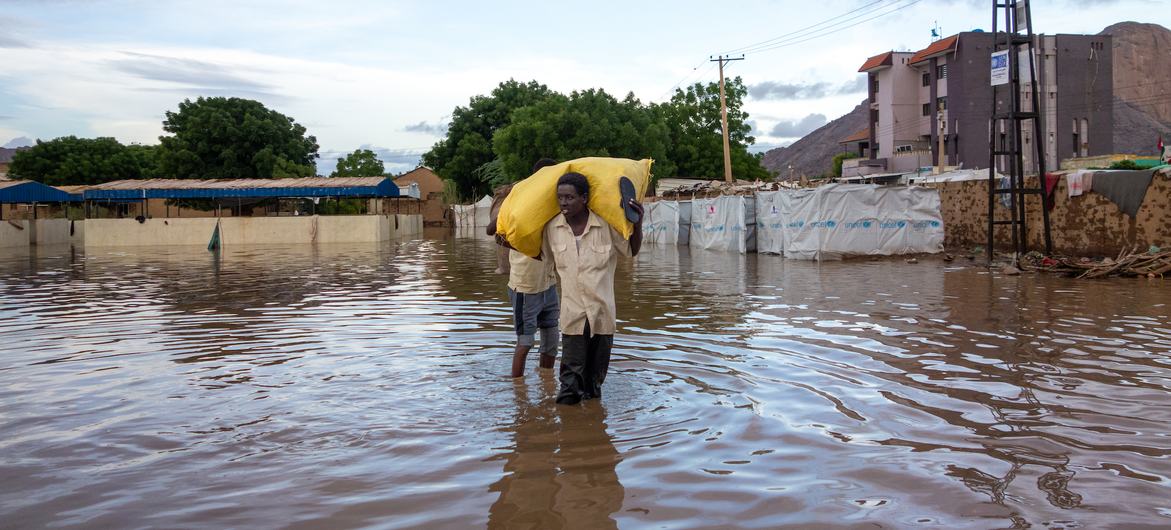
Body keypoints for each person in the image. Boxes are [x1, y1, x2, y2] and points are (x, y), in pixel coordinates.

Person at [542, 172, 642, 404]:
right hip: (572, 317)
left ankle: (593, 431)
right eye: (560, 198)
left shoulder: (605, 225)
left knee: (594, 384)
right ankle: (569, 433)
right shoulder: (552, 229)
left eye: (570, 197)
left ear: (584, 198)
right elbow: (543, 258)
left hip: (602, 316)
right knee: (569, 384)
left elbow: (631, 251)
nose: (564, 203)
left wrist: (638, 223)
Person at [487, 158, 563, 377]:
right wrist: (530, 248)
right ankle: (518, 394)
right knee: (525, 342)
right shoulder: (519, 197)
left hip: (549, 283)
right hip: (525, 286)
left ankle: (546, 383)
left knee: (551, 343)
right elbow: (494, 232)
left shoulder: (554, 201)